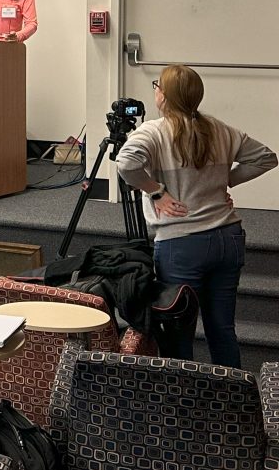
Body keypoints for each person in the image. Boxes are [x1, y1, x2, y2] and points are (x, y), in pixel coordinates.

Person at [116, 65, 276, 367]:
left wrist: (156, 191)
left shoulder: (154, 130)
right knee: (223, 330)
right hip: (228, 238)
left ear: (164, 96)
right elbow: (266, 158)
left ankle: (184, 408)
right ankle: (232, 404)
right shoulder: (221, 129)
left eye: (157, 86)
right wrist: (227, 179)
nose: (155, 91)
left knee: (178, 335)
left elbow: (125, 164)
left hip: (181, 245)